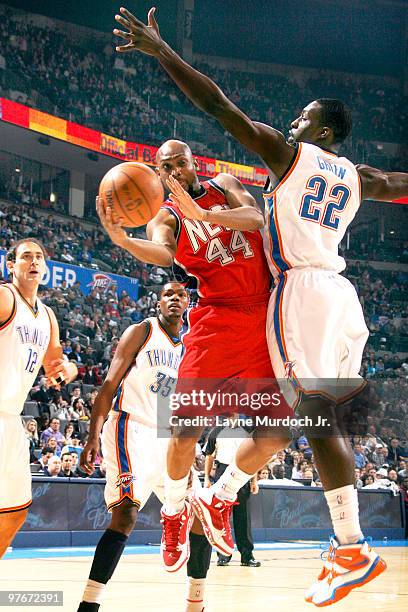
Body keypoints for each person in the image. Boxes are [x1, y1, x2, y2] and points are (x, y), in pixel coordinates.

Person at [112, 7, 407, 605]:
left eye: (304, 119)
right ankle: (225, 500)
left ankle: (347, 546)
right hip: (343, 300)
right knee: (312, 418)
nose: (293, 123)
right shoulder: (355, 173)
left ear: (321, 133)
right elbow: (398, 183)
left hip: (297, 293)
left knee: (313, 420)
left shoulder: (288, 159)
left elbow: (219, 107)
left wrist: (163, 53)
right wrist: (164, 227)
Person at [96, 137, 289, 572]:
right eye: (166, 167)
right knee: (183, 433)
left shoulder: (224, 185)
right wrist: (123, 241)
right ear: (159, 174)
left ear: (192, 163)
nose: (176, 171)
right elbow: (162, 251)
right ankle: (173, 512)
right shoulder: (165, 216)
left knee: (278, 434)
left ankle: (220, 497)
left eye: (180, 162)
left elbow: (257, 218)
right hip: (216, 323)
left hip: (263, 318)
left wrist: (204, 212)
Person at [77, 283, 212, 612]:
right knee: (125, 515)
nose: (174, 299)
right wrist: (92, 435)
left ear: (188, 303)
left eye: (181, 295)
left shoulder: (189, 347)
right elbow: (110, 382)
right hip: (130, 427)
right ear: (159, 301)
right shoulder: (143, 330)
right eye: (168, 294)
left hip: (167, 437)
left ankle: (196, 603)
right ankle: (89, 604)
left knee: (199, 516)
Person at [0, 238, 78, 558]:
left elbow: (54, 365)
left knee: (16, 510)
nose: (33, 262)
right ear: (11, 266)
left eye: (39, 257)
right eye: (26, 257)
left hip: (11, 419)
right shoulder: (5, 297)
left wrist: (68, 369)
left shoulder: (47, 316)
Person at [203, 417, 261, 567]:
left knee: (243, 518)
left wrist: (254, 480)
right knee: (221, 517)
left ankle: (247, 556)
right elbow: (209, 455)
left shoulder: (248, 430)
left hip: (243, 472)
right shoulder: (216, 431)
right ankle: (223, 554)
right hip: (222, 471)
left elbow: (253, 456)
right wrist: (207, 478)